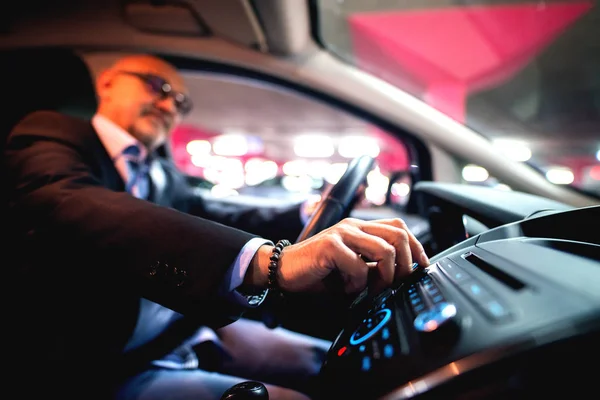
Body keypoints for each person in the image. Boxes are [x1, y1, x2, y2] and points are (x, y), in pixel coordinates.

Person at [3, 54, 429, 400]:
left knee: (338, 361)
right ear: (108, 82)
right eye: (158, 87)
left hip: (181, 329)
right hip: (101, 365)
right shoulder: (52, 135)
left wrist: (308, 212)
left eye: (181, 102)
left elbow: (215, 210)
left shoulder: (160, 170)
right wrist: (273, 261)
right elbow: (74, 204)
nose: (170, 105)